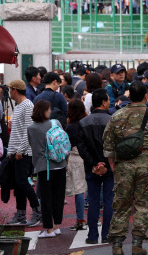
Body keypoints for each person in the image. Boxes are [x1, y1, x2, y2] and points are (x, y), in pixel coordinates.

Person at [103, 82, 148, 255]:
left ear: (129, 96)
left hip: (123, 167)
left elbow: (108, 143)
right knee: (144, 205)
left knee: (121, 204)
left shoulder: (117, 116)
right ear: (146, 96)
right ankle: (137, 244)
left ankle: (117, 245)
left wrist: (112, 163)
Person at [78, 89, 114, 244]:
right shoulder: (112, 120)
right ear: (104, 102)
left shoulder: (84, 122)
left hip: (91, 167)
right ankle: (106, 234)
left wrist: (94, 163)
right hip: (110, 166)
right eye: (108, 100)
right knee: (109, 200)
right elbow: (115, 145)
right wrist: (105, 163)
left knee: (92, 200)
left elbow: (81, 146)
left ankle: (92, 235)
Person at [28, 100, 68, 238]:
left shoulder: (31, 128)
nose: (50, 111)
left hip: (44, 167)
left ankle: (49, 229)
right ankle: (57, 226)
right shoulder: (56, 123)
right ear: (44, 111)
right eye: (48, 109)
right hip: (61, 164)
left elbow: (33, 146)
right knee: (59, 196)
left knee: (46, 199)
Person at [6, 80, 42, 227]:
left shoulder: (27, 105)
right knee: (18, 184)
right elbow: (18, 131)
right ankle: (21, 214)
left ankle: (37, 211)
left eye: (10, 89)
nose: (9, 91)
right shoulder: (20, 106)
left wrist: (20, 150)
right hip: (17, 151)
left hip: (24, 152)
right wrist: (11, 149)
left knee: (22, 182)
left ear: (15, 90)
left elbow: (29, 129)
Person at [65, 99, 88, 231]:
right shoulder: (86, 123)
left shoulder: (70, 127)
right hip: (88, 156)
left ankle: (80, 220)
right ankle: (94, 218)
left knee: (79, 190)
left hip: (75, 156)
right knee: (92, 188)